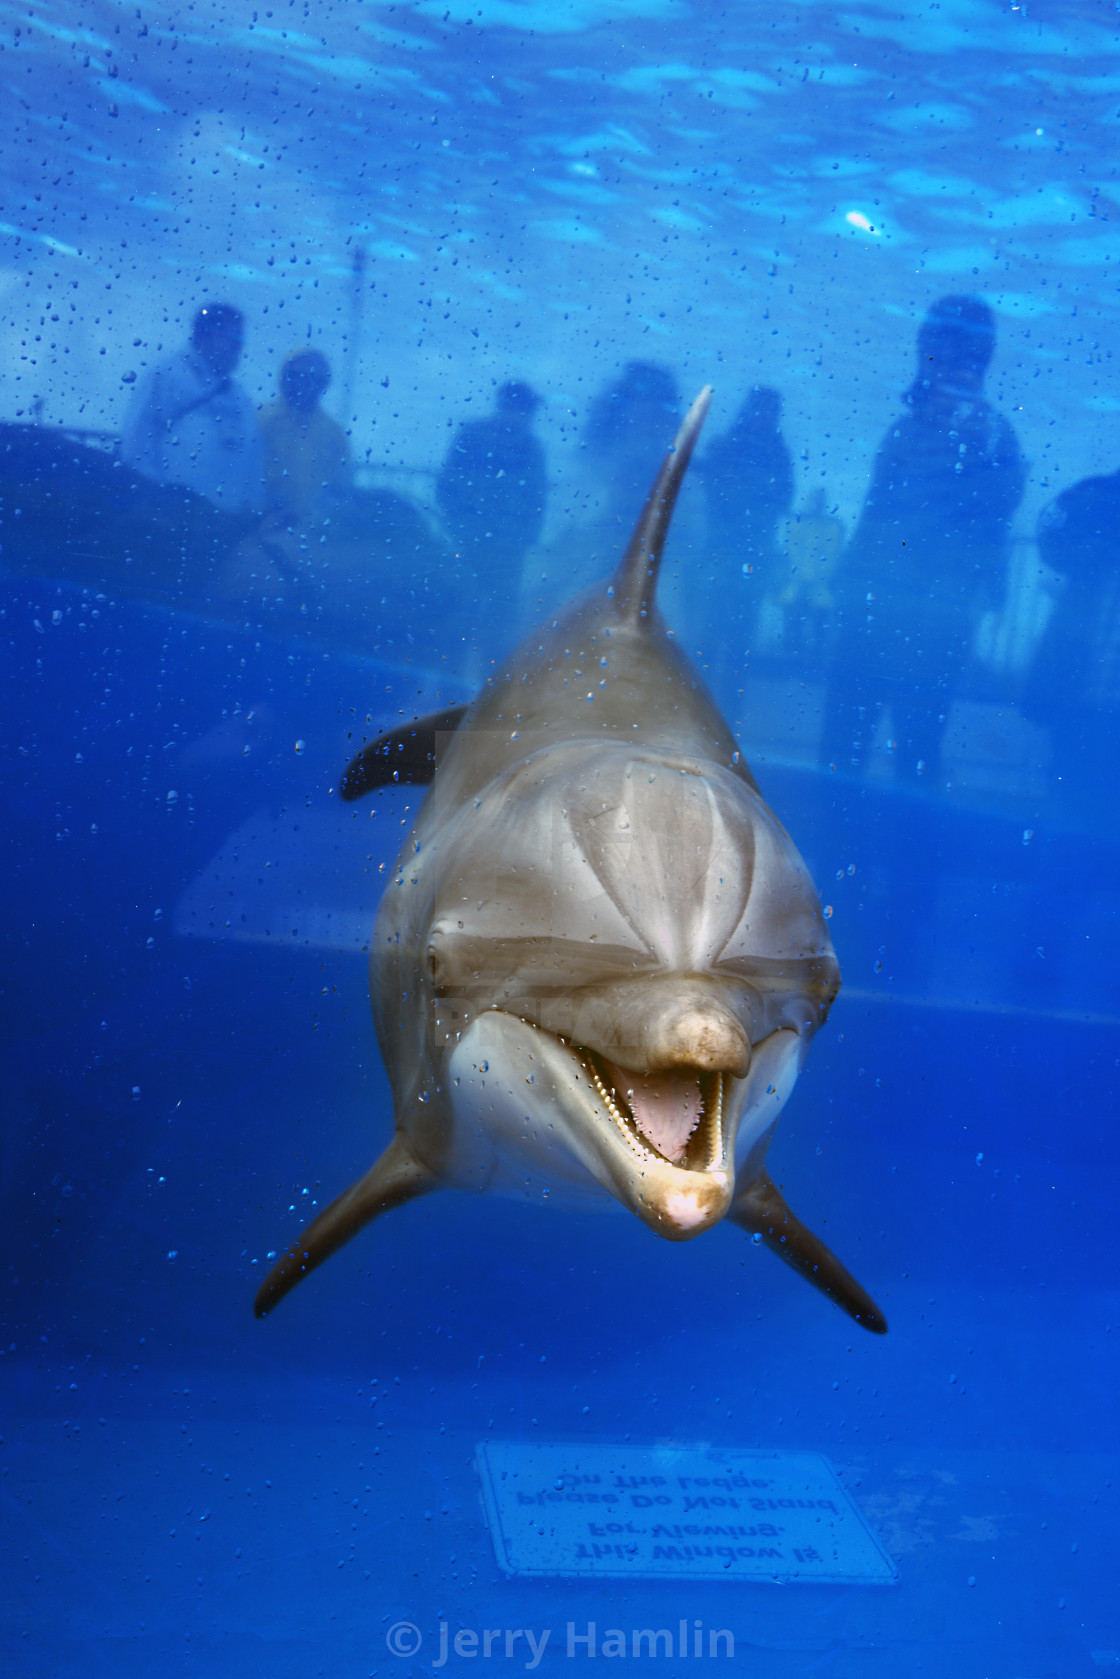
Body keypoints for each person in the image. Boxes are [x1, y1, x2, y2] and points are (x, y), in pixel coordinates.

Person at [822, 294, 1024, 782]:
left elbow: (991, 518)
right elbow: (878, 517)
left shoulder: (990, 436)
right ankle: (859, 843)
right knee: (867, 747)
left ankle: (863, 845)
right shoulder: (907, 431)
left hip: (925, 619)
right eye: (938, 347)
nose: (946, 361)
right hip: (891, 613)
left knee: (894, 748)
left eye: (959, 351)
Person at [1021, 469, 1120, 814]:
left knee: (1071, 804)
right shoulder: (1101, 493)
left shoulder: (1099, 491)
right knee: (1069, 802)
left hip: (1084, 693)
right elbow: (1052, 538)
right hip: (1084, 697)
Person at [121, 303, 264, 516]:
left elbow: (253, 456)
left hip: (224, 521)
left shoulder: (238, 395)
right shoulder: (166, 376)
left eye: (241, 339)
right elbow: (138, 442)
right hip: (169, 516)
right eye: (233, 337)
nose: (239, 346)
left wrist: (252, 509)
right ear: (206, 334)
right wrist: (156, 499)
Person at [436, 380, 547, 572]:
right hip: (474, 533)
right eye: (526, 409)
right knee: (470, 584)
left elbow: (537, 494)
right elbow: (449, 481)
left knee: (498, 590)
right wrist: (455, 522)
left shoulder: (529, 444)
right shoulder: (473, 436)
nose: (529, 416)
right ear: (507, 407)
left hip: (508, 540)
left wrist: (527, 535)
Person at [699, 386, 794, 583]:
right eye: (759, 410)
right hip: (718, 543)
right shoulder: (723, 446)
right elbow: (706, 488)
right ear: (747, 411)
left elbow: (784, 500)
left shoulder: (780, 457)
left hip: (757, 547)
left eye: (771, 411)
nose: (764, 417)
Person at [258, 347, 352, 528]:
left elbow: (342, 487)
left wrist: (317, 515)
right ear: (284, 378)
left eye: (313, 377)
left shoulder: (334, 434)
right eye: (296, 375)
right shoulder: (261, 420)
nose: (304, 383)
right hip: (258, 524)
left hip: (313, 532)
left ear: (324, 383)